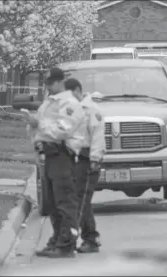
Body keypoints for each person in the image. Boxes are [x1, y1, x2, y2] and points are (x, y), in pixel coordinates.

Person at [28, 67, 86, 258]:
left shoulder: (69, 104)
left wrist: (39, 125)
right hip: (49, 156)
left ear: (61, 82)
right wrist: (36, 139)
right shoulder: (49, 103)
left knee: (65, 201)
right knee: (52, 203)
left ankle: (67, 244)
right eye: (47, 83)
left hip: (62, 155)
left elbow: (63, 130)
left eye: (51, 83)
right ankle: (57, 239)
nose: (49, 86)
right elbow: (40, 127)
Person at [64, 78, 106, 253]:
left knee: (83, 200)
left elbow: (97, 136)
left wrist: (95, 160)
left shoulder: (92, 110)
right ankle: (80, 237)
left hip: (87, 159)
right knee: (77, 199)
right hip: (73, 159)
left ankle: (91, 238)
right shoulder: (70, 109)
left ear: (76, 91)